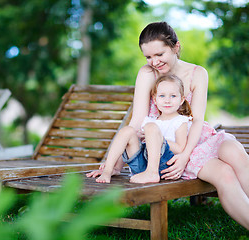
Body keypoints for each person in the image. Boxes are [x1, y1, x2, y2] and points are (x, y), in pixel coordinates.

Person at [87, 21, 249, 229]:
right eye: (148, 56)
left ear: (176, 47)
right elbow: (136, 120)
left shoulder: (198, 73)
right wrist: (114, 161)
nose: (154, 61)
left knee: (236, 152)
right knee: (224, 175)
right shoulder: (147, 74)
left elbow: (198, 119)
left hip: (196, 136)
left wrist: (186, 154)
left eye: (159, 54)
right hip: (171, 146)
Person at [94, 74, 192, 184]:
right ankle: (109, 169)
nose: (167, 100)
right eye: (162, 96)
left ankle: (152, 173)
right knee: (128, 131)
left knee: (150, 127)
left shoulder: (180, 121)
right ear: (155, 99)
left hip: (163, 166)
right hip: (141, 167)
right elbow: (132, 144)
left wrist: (158, 138)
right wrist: (140, 138)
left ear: (182, 100)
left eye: (173, 96)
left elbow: (180, 149)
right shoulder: (149, 120)